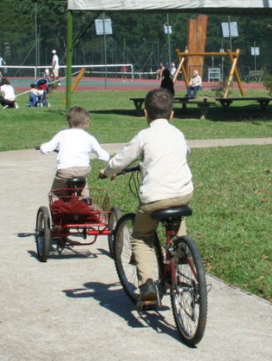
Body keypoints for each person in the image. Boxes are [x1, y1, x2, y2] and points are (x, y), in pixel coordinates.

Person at [100, 89, 193, 310]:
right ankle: (181, 248)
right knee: (176, 207)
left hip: (154, 199)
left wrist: (107, 171)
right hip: (183, 193)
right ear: (172, 114)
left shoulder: (144, 135)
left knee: (141, 236)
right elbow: (185, 152)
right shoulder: (178, 133)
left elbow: (121, 160)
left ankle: (147, 285)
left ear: (145, 113)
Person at [39, 106, 109, 196]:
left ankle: (57, 206)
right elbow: (105, 156)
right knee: (83, 187)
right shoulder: (89, 137)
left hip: (65, 171)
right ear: (87, 123)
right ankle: (85, 201)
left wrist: (42, 146)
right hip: (82, 170)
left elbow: (45, 149)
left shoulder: (62, 134)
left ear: (68, 122)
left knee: (55, 194)